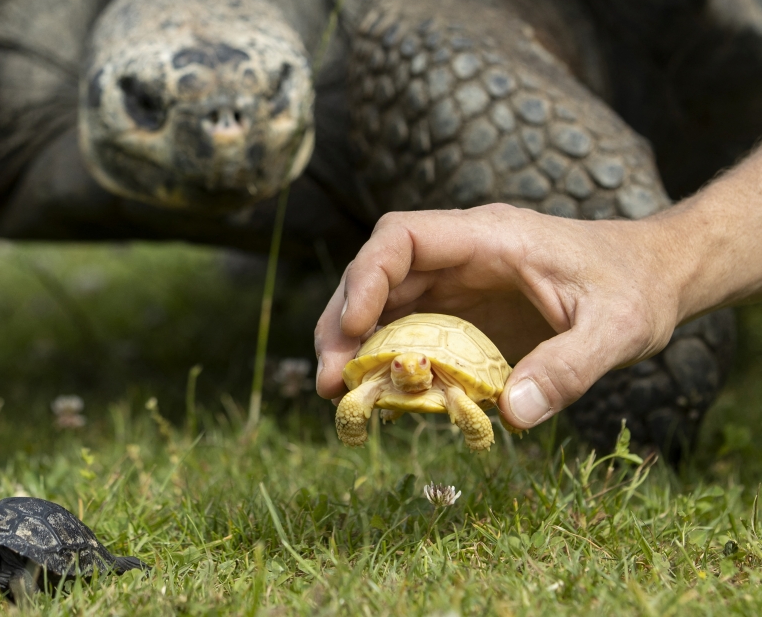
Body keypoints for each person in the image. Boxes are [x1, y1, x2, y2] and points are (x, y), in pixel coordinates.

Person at [314, 147, 762, 431]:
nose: (406, 370)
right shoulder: (385, 376)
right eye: (401, 366)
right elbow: (358, 395)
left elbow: (459, 399)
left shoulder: (446, 386)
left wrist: (665, 262)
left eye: (418, 364)